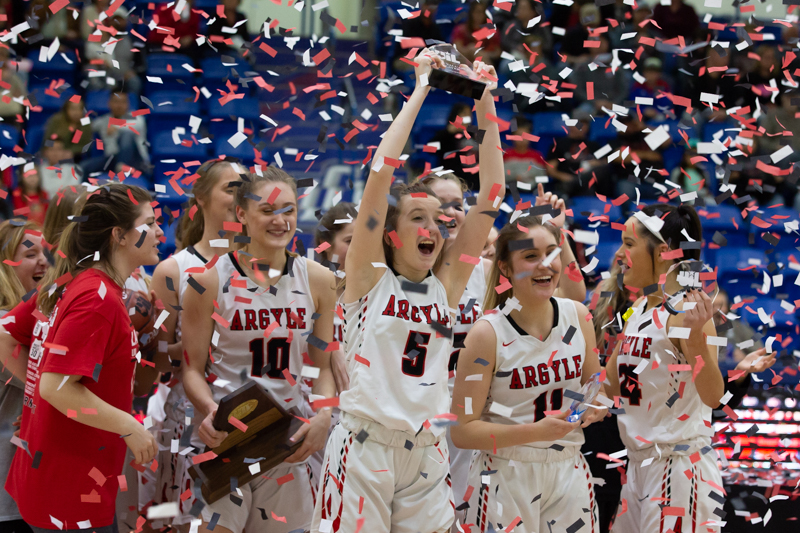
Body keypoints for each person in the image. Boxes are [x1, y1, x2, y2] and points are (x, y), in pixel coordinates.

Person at [310, 49, 503, 533]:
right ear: (390, 233)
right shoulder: (368, 277)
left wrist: (485, 104)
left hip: (426, 451)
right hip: (363, 447)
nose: (432, 226)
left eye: (436, 220)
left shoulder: (449, 284)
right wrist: (420, 89)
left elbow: (493, 190)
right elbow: (381, 172)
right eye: (416, 216)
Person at [182, 166, 337, 533]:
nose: (280, 221)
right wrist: (208, 410)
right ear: (241, 215)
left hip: (284, 442)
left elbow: (323, 367)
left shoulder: (319, 279)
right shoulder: (207, 280)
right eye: (268, 211)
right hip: (222, 443)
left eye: (289, 210)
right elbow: (190, 369)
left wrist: (324, 416)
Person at [5, 183, 162, 532]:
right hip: (70, 487)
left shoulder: (80, 282)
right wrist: (129, 426)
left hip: (61, 474)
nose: (160, 231)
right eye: (149, 223)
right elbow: (56, 387)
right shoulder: (98, 298)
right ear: (119, 235)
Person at [451, 212, 605, 533]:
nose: (544, 264)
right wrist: (536, 432)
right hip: (505, 474)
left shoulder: (579, 316)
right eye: (530, 256)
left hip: (569, 470)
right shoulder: (485, 334)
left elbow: (596, 384)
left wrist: (597, 405)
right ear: (505, 268)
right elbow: (462, 431)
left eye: (551, 253)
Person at [606, 204, 724, 532]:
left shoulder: (688, 308)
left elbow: (714, 396)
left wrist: (698, 340)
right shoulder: (640, 308)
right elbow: (612, 387)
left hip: (677, 469)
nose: (619, 254)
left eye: (628, 244)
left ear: (662, 252)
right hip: (639, 466)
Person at [147, 158, 240, 529]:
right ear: (201, 199)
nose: (240, 195)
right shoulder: (172, 270)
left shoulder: (266, 263)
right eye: (230, 187)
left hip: (252, 412)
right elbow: (155, 354)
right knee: (185, 522)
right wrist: (195, 348)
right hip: (191, 417)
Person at [0, 219, 45, 533]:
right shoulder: (5, 326)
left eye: (45, 252)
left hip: (23, 488)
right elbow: (47, 382)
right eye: (30, 254)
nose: (43, 261)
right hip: (6, 493)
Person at [83, 88, 149, 177]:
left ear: (128, 104)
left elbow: (135, 126)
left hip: (136, 162)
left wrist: (116, 127)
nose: (119, 105)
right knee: (84, 167)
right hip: (112, 160)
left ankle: (121, 167)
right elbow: (88, 127)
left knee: (127, 135)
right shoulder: (103, 121)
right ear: (109, 103)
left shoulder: (137, 118)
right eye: (116, 102)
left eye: (123, 102)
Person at [428, 103, 477, 189]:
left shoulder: (474, 133)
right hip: (451, 174)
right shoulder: (445, 134)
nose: (468, 117)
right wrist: (448, 133)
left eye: (469, 114)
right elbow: (429, 148)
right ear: (456, 115)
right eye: (464, 113)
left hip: (473, 175)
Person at [451, 0, 501, 65]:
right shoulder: (461, 29)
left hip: (485, 60)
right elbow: (457, 49)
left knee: (477, 54)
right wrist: (471, 50)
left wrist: (481, 53)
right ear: (471, 13)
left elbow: (497, 53)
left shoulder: (492, 31)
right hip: (463, 61)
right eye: (476, 12)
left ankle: (486, 74)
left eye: (481, 12)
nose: (479, 15)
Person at [503, 116, 546, 184]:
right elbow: (499, 176)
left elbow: (543, 177)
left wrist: (530, 180)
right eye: (518, 135)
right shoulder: (505, 154)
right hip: (510, 189)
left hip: (531, 190)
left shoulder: (537, 156)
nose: (522, 139)